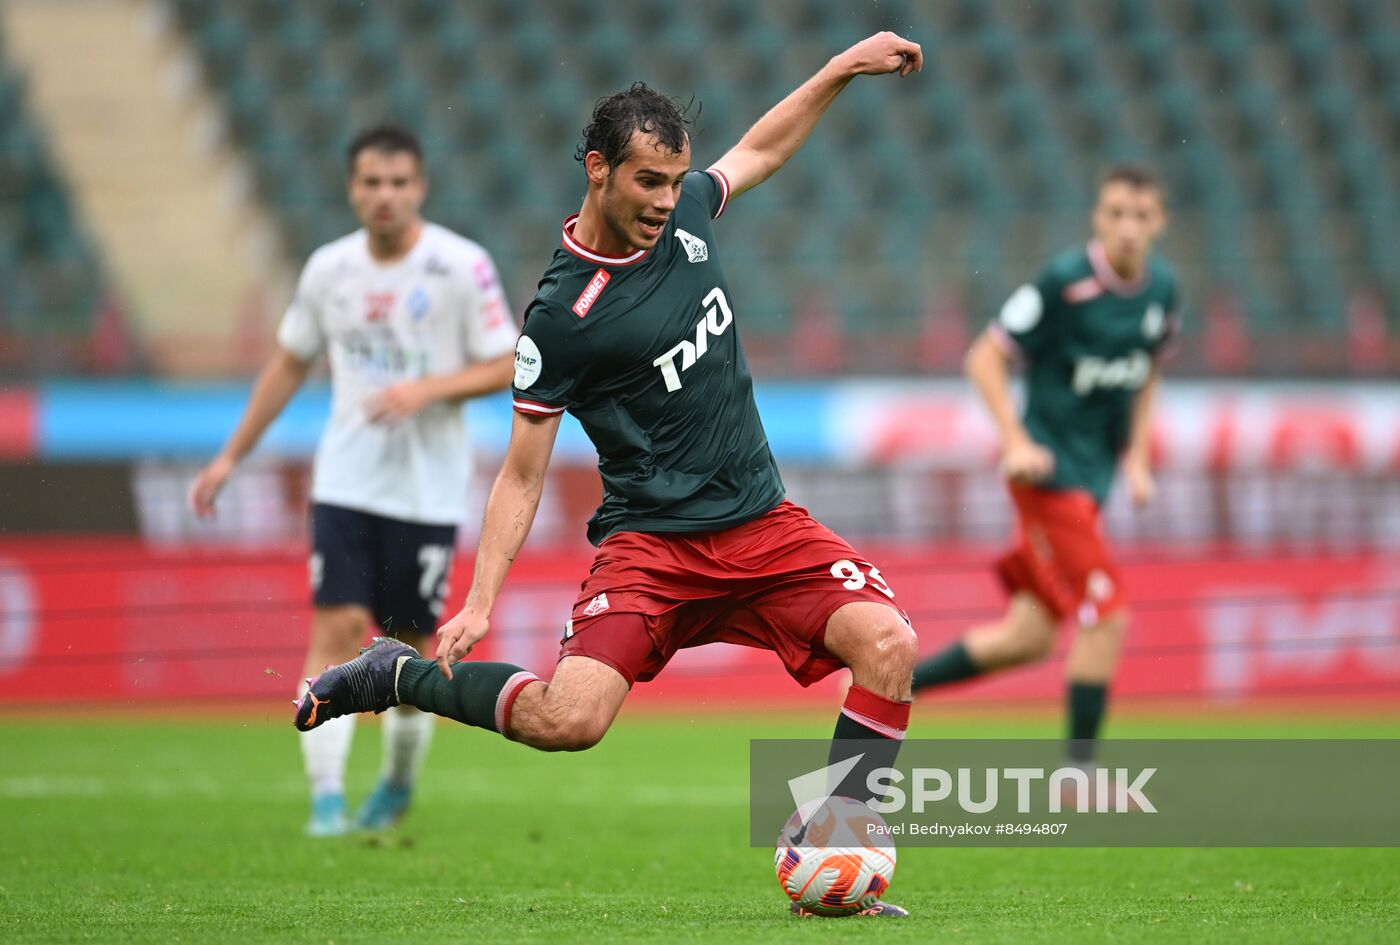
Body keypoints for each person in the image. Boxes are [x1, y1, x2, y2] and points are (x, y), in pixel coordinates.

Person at [295, 34, 922, 916]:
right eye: (649, 183)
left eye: (676, 182)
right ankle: (397, 676)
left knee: (890, 645)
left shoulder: (693, 215)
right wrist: (479, 599)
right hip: (653, 549)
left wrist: (837, 71)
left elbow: (764, 148)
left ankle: (837, 851)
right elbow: (521, 476)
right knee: (569, 721)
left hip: (762, 523)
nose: (670, 200)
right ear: (598, 170)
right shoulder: (560, 319)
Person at [190, 125, 518, 836]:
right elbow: (287, 362)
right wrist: (229, 456)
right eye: (372, 181)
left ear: (420, 186)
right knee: (336, 631)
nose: (385, 194)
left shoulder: (461, 266)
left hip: (426, 490)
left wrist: (427, 389)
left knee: (404, 653)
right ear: (353, 188)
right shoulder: (328, 270)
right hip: (344, 481)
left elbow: (507, 361)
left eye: (399, 181)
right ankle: (328, 801)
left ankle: (396, 781)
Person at [911, 165, 1179, 774]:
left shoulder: (1162, 290)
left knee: (1029, 636)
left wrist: (1136, 459)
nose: (1129, 228)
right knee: (1107, 617)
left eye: (1142, 216)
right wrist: (1015, 438)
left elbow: (1149, 371)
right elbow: (984, 356)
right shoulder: (1065, 283)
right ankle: (1079, 775)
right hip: (1048, 476)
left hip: (1092, 482)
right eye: (1116, 214)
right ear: (1098, 218)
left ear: (1160, 223)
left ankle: (893, 689)